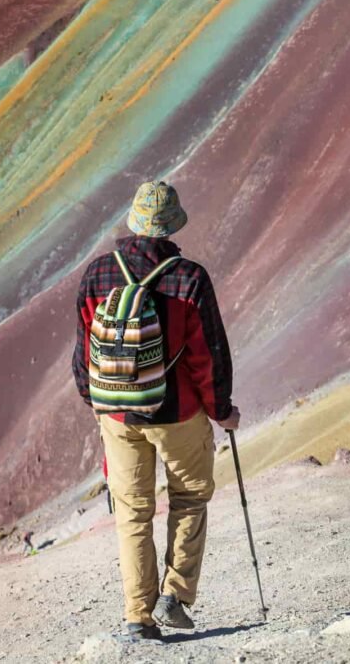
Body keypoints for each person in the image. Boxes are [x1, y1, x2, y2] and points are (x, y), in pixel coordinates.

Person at [72, 181, 238, 642]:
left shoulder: (98, 274)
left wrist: (102, 406)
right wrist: (221, 410)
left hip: (118, 416)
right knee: (188, 500)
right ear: (171, 227)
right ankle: (175, 595)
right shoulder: (188, 278)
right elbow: (208, 356)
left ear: (134, 222)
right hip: (179, 414)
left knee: (132, 513)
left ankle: (137, 618)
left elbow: (83, 352)